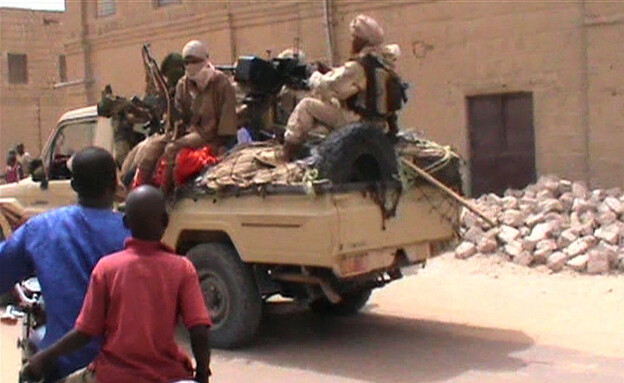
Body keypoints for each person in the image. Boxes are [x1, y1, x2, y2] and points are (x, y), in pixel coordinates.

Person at [23, 186, 212, 383]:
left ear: (125, 222)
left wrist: (43, 358)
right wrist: (202, 374)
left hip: (112, 375)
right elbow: (198, 329)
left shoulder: (107, 268)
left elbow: (85, 332)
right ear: (165, 221)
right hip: (167, 373)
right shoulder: (182, 268)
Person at [0, 147, 130, 381]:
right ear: (113, 185)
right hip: (131, 362)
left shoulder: (42, 228)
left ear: (74, 186)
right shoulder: (136, 231)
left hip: (68, 363)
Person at [274, 15, 403, 162]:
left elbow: (329, 86)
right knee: (327, 102)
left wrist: (313, 74)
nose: (352, 41)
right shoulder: (382, 60)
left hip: (357, 120)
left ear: (361, 40)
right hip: (380, 122)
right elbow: (349, 81)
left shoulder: (359, 65)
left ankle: (286, 152)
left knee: (306, 105)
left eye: (354, 38)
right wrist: (330, 71)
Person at [136, 39, 237, 192]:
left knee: (171, 149)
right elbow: (179, 115)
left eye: (193, 61)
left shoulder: (220, 83)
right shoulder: (183, 85)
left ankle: (165, 193)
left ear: (204, 60)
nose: (189, 66)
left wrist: (222, 146)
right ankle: (138, 191)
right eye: (186, 62)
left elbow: (227, 122)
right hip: (189, 132)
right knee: (151, 148)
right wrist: (168, 109)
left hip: (211, 135)